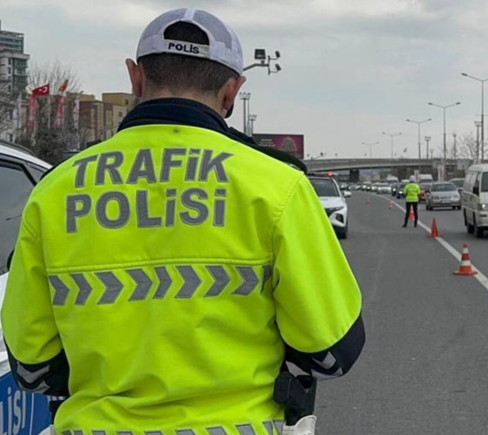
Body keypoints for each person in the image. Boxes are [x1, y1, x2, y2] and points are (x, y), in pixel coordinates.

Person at [1, 8, 364, 435]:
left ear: (135, 78)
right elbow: (333, 349)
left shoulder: (55, 191)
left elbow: (31, 365)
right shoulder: (276, 186)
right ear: (232, 91)